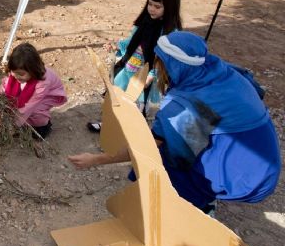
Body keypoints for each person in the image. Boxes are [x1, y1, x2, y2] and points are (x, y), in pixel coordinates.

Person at [71, 32, 281, 214]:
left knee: (164, 164)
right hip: (263, 157)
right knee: (176, 147)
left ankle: (195, 208)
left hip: (246, 176)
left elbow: (150, 147)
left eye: (160, 61)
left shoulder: (184, 107)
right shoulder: (217, 69)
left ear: (171, 65)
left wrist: (96, 160)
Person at [87, 0, 183, 133]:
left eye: (157, 7)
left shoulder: (171, 34)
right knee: (116, 95)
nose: (151, 9)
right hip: (128, 68)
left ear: (170, 8)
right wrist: (117, 46)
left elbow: (164, 61)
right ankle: (109, 123)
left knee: (136, 104)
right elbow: (131, 42)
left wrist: (151, 76)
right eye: (150, 4)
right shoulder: (144, 21)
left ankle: (130, 131)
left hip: (145, 77)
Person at [0, 43, 68, 139]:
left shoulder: (43, 82)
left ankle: (44, 127)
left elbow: (30, 106)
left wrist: (14, 125)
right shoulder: (15, 73)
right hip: (33, 93)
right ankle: (23, 123)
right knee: (17, 104)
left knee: (35, 111)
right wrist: (0, 102)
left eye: (21, 74)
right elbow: (5, 88)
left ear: (33, 70)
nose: (16, 76)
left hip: (48, 95)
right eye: (14, 72)